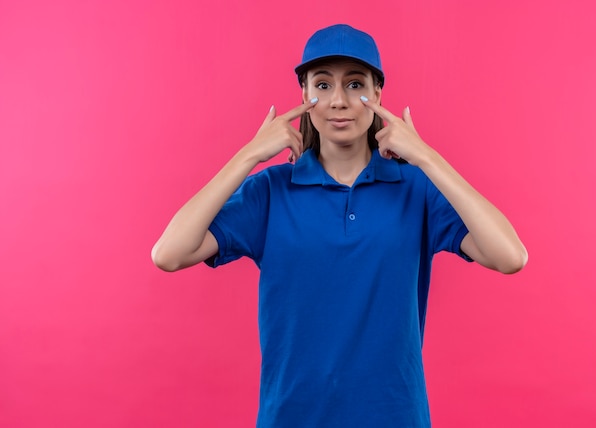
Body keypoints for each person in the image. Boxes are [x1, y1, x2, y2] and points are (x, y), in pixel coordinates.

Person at [152, 24, 527, 428]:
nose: (339, 101)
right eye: (323, 84)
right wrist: (248, 156)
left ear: (378, 93)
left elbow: (510, 256)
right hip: (291, 418)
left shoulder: (416, 189)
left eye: (354, 84)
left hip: (394, 417)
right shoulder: (271, 192)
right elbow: (169, 254)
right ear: (304, 94)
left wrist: (426, 157)